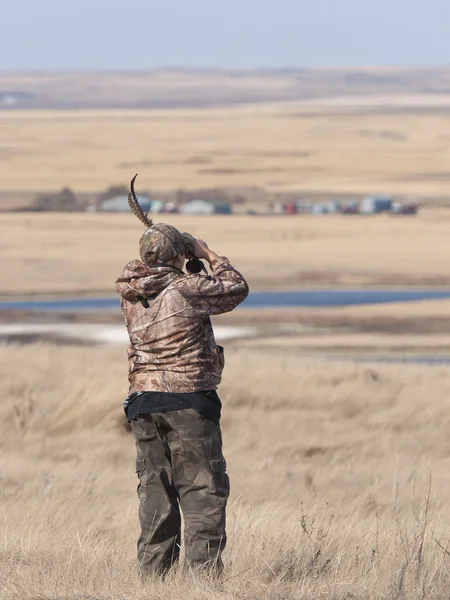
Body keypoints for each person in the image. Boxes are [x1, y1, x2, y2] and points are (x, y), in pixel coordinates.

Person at [115, 220, 249, 576]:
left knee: (155, 493)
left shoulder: (132, 290)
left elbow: (166, 276)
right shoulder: (186, 289)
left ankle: (152, 581)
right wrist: (208, 255)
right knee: (203, 491)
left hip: (143, 402)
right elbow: (235, 288)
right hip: (187, 400)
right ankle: (202, 583)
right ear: (177, 255)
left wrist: (181, 256)